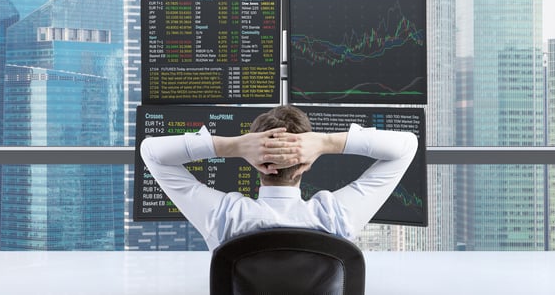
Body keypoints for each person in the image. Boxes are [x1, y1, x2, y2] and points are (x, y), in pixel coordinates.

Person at [140, 105, 417, 251]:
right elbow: (406, 146)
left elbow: (151, 152)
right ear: (305, 166)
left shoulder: (225, 218)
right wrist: (325, 143)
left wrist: (235, 146)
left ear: (255, 164)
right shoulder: (335, 217)